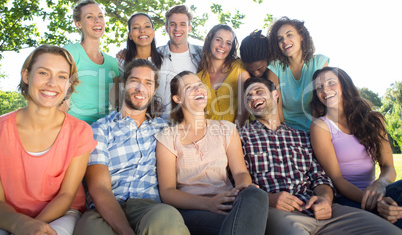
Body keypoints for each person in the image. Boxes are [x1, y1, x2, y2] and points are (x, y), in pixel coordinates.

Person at [240, 76, 401, 234]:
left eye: (259, 91)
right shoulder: (241, 137)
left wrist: (325, 198)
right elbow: (240, 185)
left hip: (321, 209)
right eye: (248, 96)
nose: (254, 98)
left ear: (275, 94)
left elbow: (320, 178)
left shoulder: (302, 136)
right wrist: (269, 199)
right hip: (279, 213)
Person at [74, 59, 189, 235]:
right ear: (123, 84)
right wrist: (126, 231)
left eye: (148, 83)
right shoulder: (100, 129)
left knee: (167, 217)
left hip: (150, 208)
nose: (140, 88)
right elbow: (99, 188)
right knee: (91, 230)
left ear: (154, 90)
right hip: (105, 208)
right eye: (135, 81)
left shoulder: (164, 129)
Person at [155, 71, 268, 235]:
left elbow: (241, 172)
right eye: (189, 87)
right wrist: (208, 204)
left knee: (256, 194)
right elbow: (167, 192)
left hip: (227, 201)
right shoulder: (168, 137)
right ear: (177, 99)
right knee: (237, 224)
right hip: (191, 209)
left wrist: (242, 187)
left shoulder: (225, 129)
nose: (198, 89)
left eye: (199, 85)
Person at [0, 45, 97, 235]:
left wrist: (33, 226)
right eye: (44, 73)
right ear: (26, 76)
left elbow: (66, 195)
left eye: (62, 76)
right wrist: (19, 225)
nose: (52, 83)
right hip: (8, 215)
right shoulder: (1, 130)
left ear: (69, 84)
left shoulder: (80, 132)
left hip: (61, 214)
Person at [310, 66, 402, 228]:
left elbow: (388, 167)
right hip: (346, 199)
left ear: (345, 85)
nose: (325, 90)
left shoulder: (374, 119)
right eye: (319, 87)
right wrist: (377, 202)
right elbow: (337, 180)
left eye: (331, 83)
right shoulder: (321, 126)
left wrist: (380, 185)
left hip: (377, 191)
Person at [62, 0, 119, 124]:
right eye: (89, 17)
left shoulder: (112, 63)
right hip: (74, 126)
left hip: (104, 130)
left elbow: (117, 102)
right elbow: (59, 94)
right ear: (78, 24)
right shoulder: (71, 52)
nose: (97, 20)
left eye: (100, 16)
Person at [267, 16, 329, 132]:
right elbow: (275, 107)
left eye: (289, 35)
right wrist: (283, 133)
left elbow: (329, 102)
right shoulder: (275, 67)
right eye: (280, 39)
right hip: (288, 131)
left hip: (320, 129)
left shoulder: (319, 63)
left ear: (301, 36)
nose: (284, 41)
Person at [197, 24, 250, 126]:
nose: (222, 45)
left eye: (228, 43)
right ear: (210, 40)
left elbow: (245, 108)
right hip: (210, 136)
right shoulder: (199, 77)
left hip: (237, 134)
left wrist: (233, 133)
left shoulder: (238, 67)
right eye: (218, 39)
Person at [156, 5, 203, 120]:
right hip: (161, 123)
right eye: (172, 24)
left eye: (183, 24)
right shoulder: (155, 55)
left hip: (194, 122)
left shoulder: (203, 54)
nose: (177, 29)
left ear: (189, 28)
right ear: (167, 28)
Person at [114, 13, 164, 108]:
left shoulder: (164, 60)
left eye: (147, 26)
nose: (142, 31)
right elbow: (114, 97)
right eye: (136, 27)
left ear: (153, 32)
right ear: (130, 35)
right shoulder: (120, 63)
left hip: (160, 116)